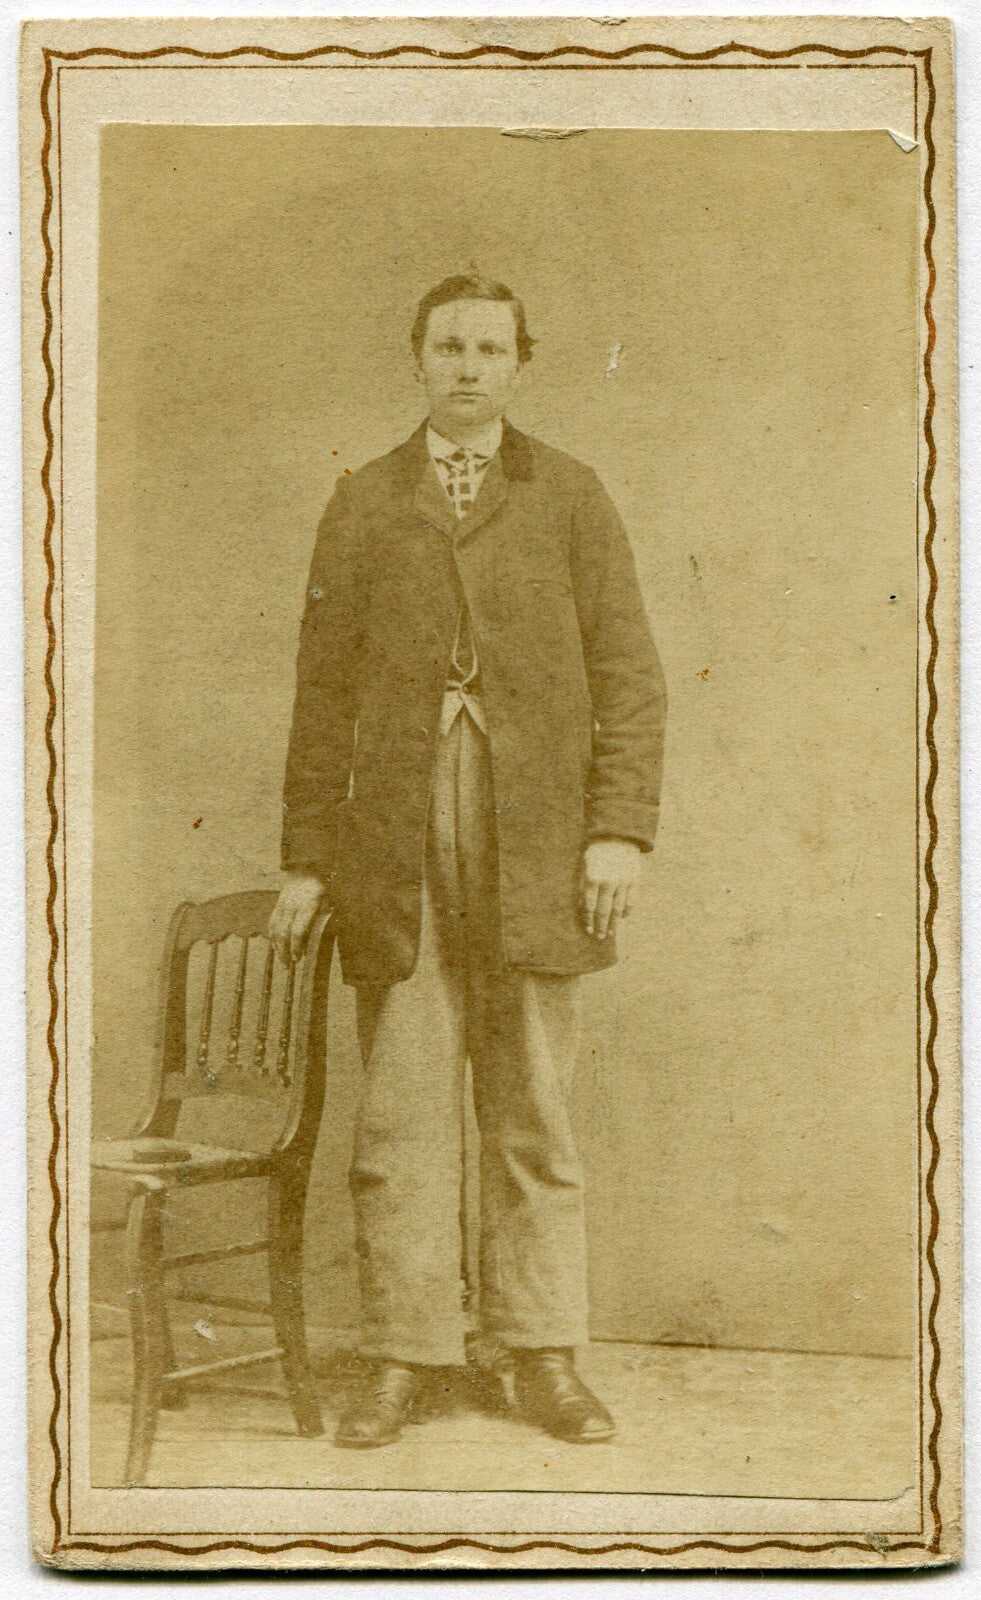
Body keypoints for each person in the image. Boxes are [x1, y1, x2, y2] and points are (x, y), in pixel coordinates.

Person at [270, 274, 667, 1449]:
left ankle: (538, 1352)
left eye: (491, 348)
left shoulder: (571, 495)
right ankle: (406, 1353)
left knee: (531, 1099)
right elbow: (322, 698)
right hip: (393, 840)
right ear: (417, 357)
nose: (468, 368)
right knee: (401, 1104)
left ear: (520, 364)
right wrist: (308, 861)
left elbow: (632, 677)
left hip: (538, 832)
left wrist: (617, 830)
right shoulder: (364, 499)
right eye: (449, 345)